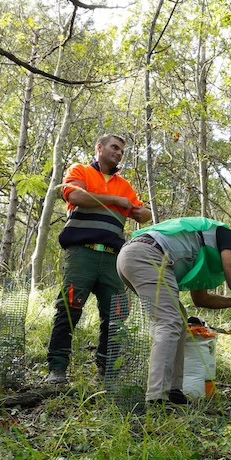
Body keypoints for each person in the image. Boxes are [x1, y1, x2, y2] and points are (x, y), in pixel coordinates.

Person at [116, 216, 231, 410]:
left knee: (178, 318)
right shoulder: (225, 236)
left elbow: (200, 299)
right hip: (147, 254)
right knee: (168, 322)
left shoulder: (207, 253)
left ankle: (174, 392)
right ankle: (157, 398)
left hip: (134, 256)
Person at [46, 134, 151, 383]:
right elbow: (74, 196)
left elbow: (144, 215)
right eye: (115, 148)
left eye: (122, 151)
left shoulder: (124, 185)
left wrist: (136, 209)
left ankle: (107, 372)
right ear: (100, 147)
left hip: (113, 259)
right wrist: (115, 201)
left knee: (117, 313)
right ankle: (57, 369)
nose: (118, 153)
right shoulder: (80, 171)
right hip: (82, 253)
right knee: (69, 307)